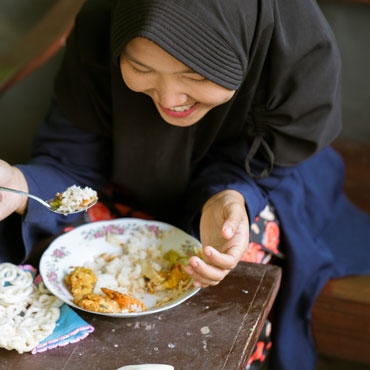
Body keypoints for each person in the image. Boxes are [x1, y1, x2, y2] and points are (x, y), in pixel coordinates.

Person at [0, 0, 369, 369]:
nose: (169, 99)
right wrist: (19, 183)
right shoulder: (101, 35)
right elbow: (71, 160)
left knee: (237, 265)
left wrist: (228, 196)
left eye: (195, 76)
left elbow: (268, 164)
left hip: (268, 177)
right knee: (58, 256)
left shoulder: (284, 65)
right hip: (129, 177)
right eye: (140, 68)